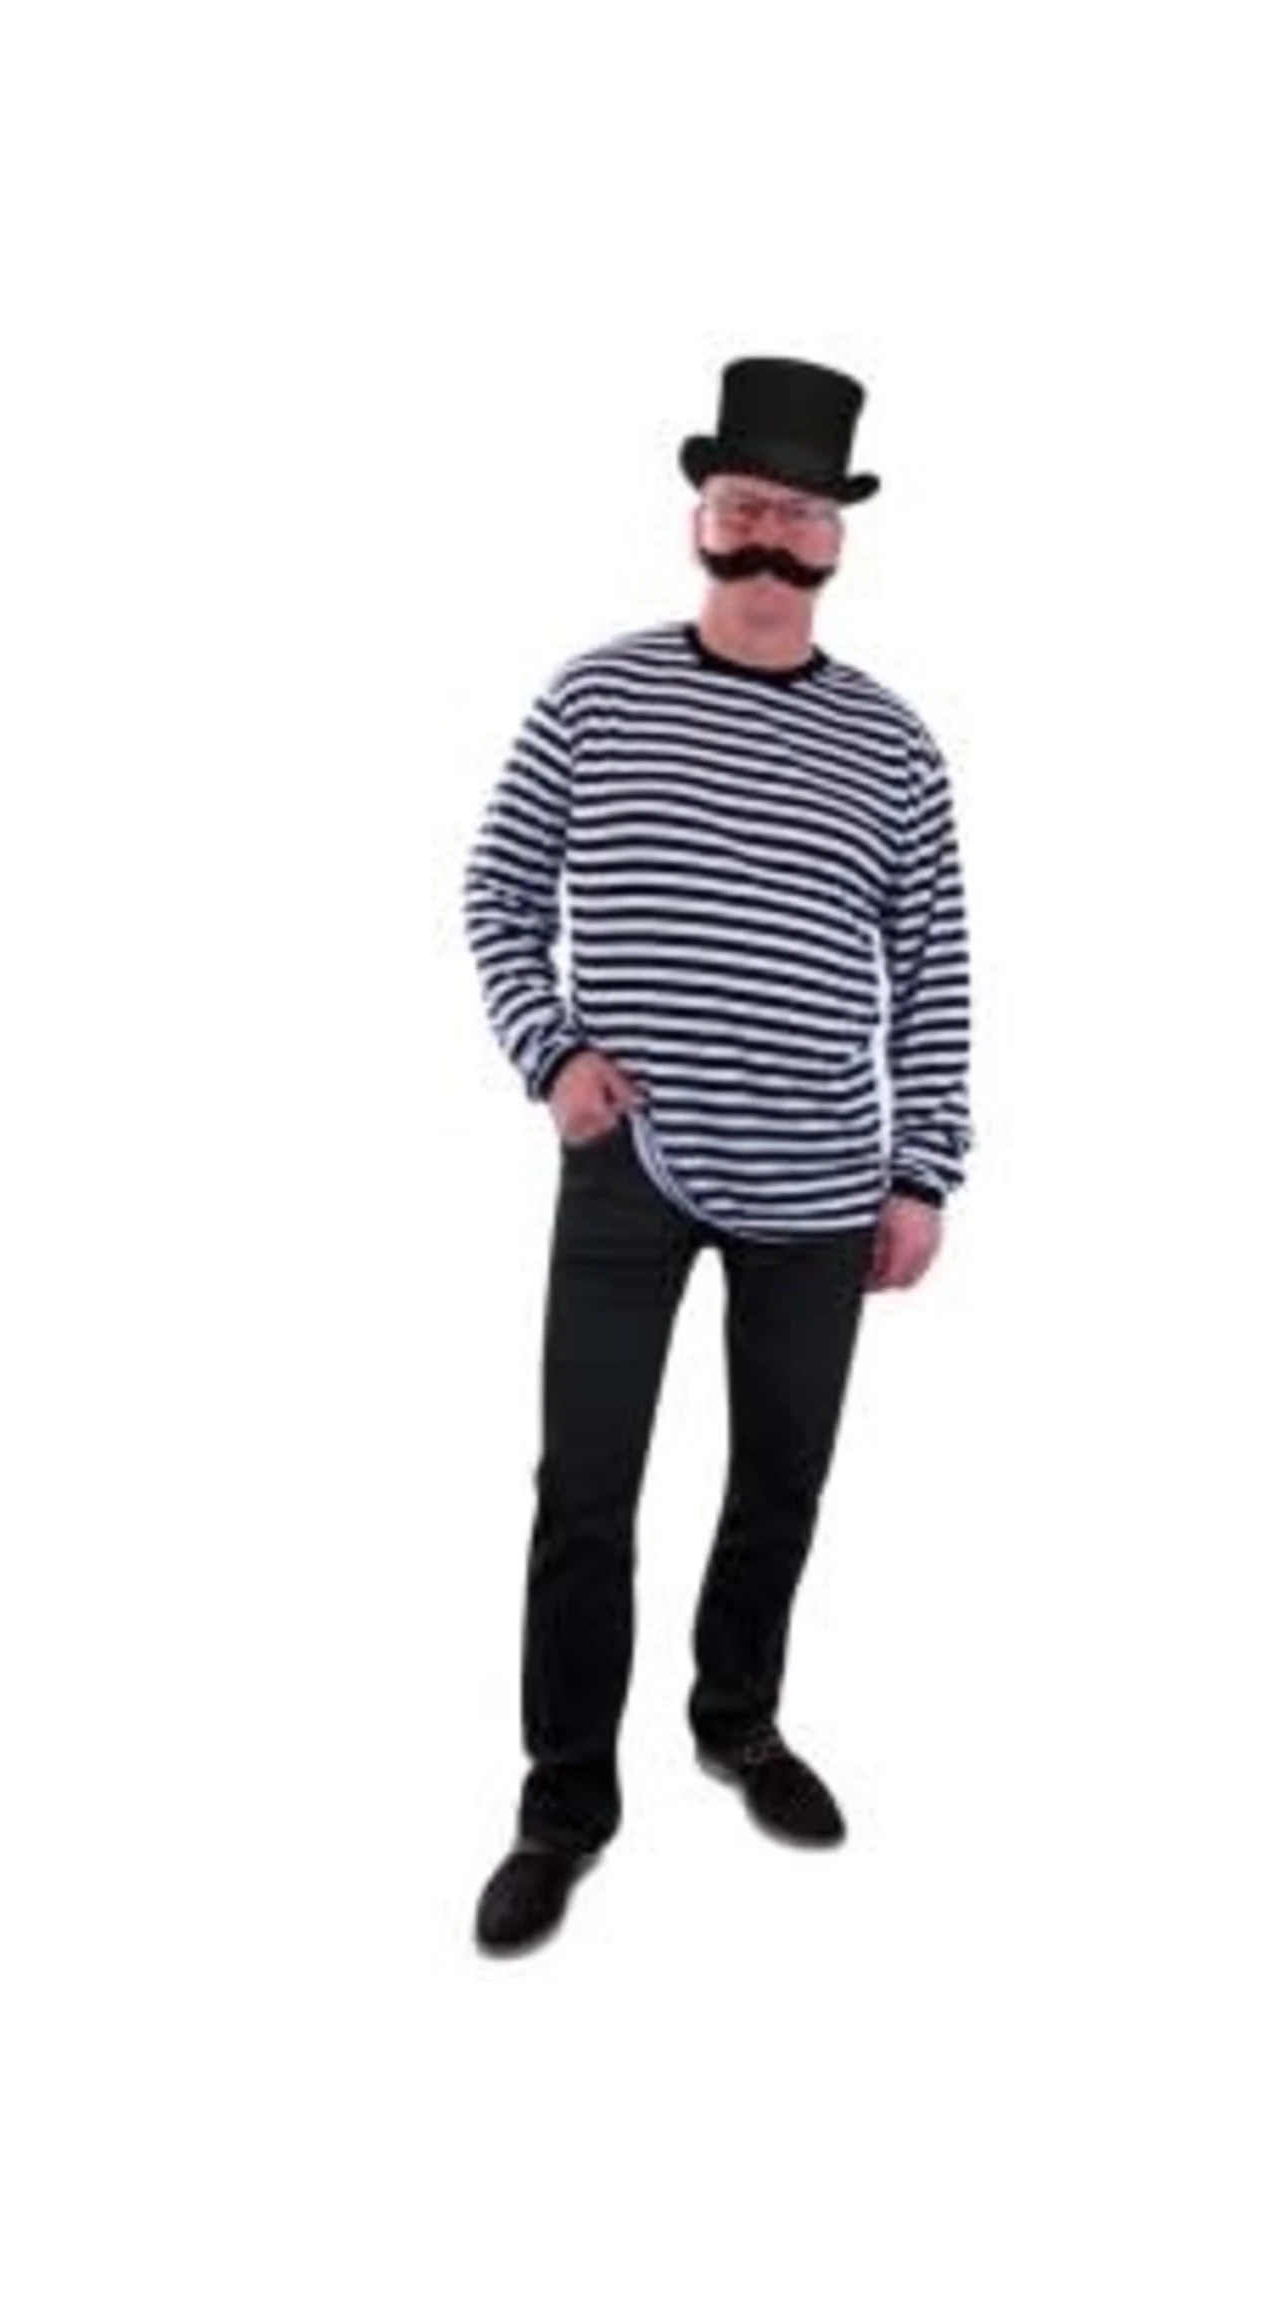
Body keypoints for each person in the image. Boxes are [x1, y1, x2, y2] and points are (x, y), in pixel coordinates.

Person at [462, 355, 974, 1954]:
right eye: (747, 505)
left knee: (781, 1480)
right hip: (632, 1160)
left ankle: (737, 1721)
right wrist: (553, 1055)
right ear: (701, 517)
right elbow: (497, 888)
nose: (771, 538)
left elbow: (934, 971)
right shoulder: (594, 697)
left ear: (839, 542)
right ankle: (563, 1804)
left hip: (822, 1180)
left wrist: (923, 1171)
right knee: (584, 1492)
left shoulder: (895, 748)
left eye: (803, 516)